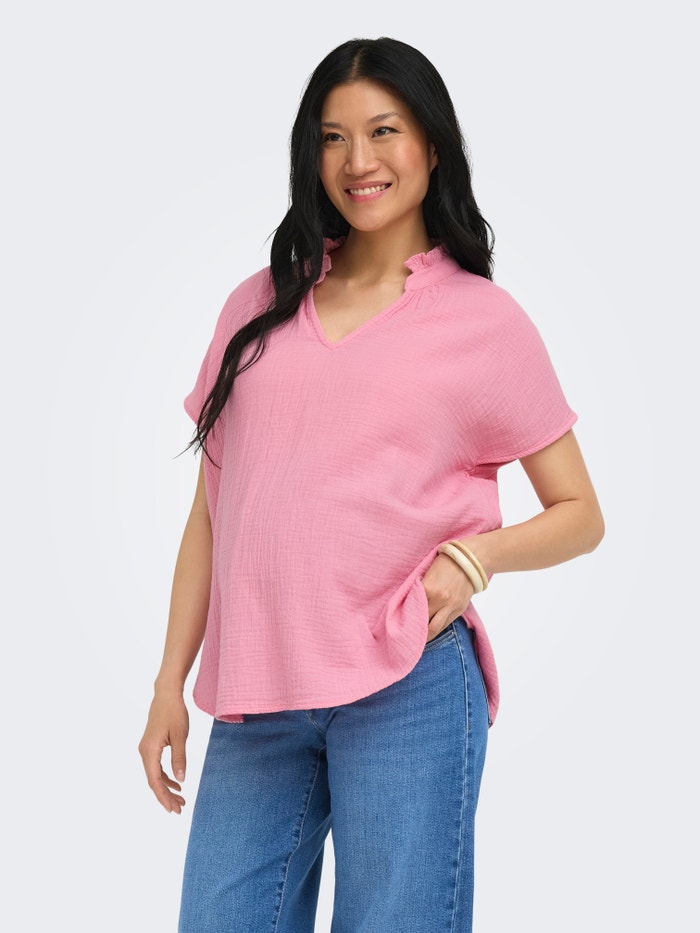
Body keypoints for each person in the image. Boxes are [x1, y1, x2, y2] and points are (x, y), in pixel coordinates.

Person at [138, 36, 604, 932]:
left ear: (431, 143)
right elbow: (211, 512)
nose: (358, 161)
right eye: (333, 136)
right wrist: (169, 680)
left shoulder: (483, 321)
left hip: (409, 684)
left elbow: (581, 513)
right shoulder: (258, 306)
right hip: (259, 691)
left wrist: (472, 559)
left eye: (383, 131)